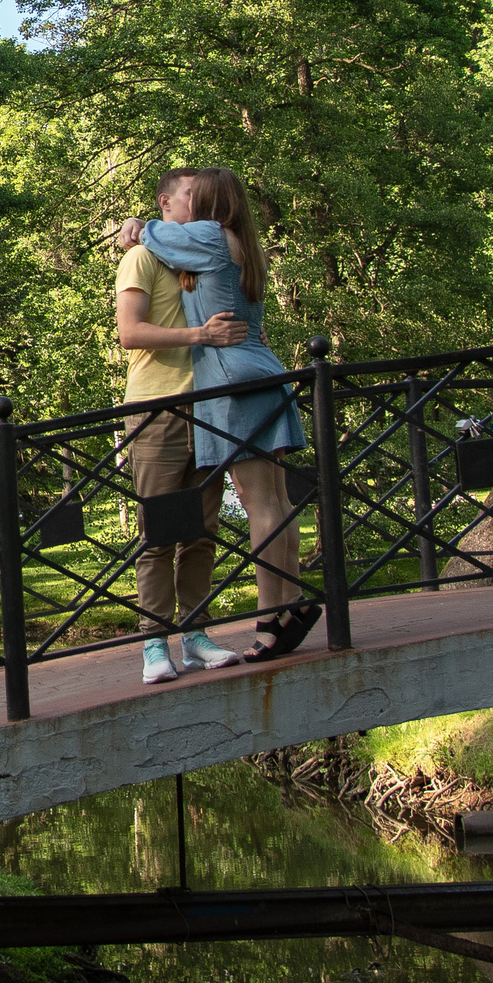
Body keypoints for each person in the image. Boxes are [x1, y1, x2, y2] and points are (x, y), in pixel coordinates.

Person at [122, 167, 323, 663]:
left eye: (198, 194)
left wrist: (134, 222)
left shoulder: (210, 237)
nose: (191, 203)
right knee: (275, 500)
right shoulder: (245, 244)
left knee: (261, 506)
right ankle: (291, 601)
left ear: (211, 202)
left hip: (232, 381)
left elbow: (146, 231)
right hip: (260, 369)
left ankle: (268, 619)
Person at [115, 168, 248, 685]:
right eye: (195, 195)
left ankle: (195, 635)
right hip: (156, 409)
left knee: (202, 530)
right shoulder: (142, 256)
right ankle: (153, 644)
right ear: (167, 202)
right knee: (158, 534)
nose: (205, 203)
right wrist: (200, 335)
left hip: (210, 409)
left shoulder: (195, 254)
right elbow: (130, 332)